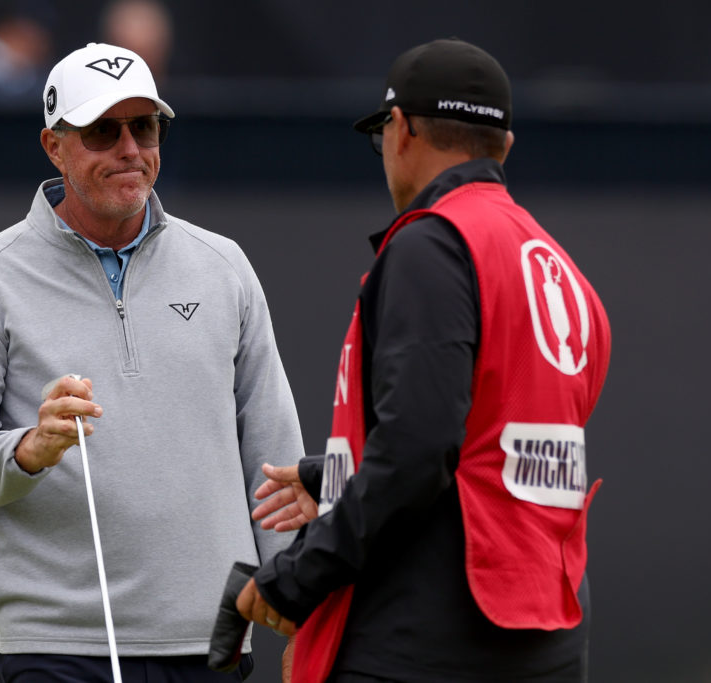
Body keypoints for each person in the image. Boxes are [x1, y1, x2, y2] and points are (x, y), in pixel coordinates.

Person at [0, 42, 304, 683]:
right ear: (54, 146)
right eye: (102, 130)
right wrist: (27, 450)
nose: (129, 149)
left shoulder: (224, 266)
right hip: (56, 644)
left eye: (144, 126)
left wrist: (303, 605)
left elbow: (273, 457)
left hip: (214, 639)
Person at [235, 38, 612, 682]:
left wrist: (296, 580)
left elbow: (417, 450)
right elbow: (483, 449)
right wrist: (333, 475)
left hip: (428, 638)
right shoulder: (558, 267)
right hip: (543, 632)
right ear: (506, 147)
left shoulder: (433, 244)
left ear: (401, 130)